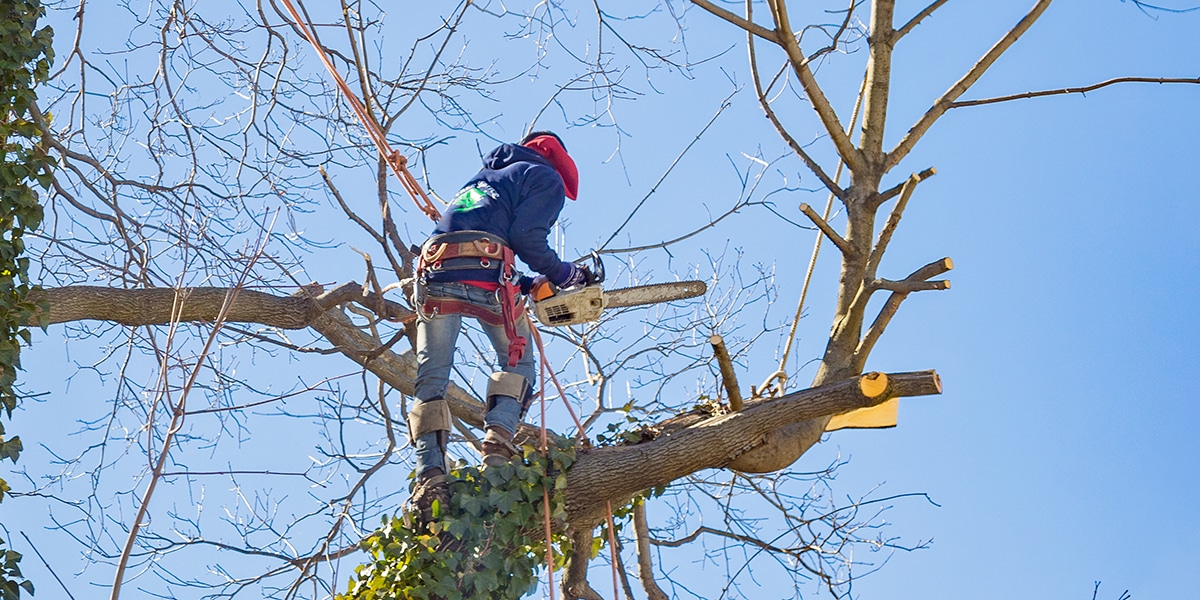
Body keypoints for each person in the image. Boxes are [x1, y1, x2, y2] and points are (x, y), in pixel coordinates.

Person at [406, 131, 590, 523]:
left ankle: (430, 474)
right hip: (486, 275)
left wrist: (527, 285)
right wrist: (566, 273)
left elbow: (484, 242)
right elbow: (527, 239)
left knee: (431, 379)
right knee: (519, 362)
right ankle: (497, 443)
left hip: (438, 273)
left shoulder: (484, 178)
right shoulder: (545, 178)